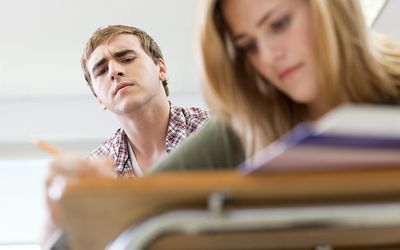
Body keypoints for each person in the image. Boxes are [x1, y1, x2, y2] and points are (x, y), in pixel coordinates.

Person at [80, 25, 210, 178]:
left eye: (127, 59)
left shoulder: (224, 131)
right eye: (101, 71)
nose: (114, 71)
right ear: (99, 99)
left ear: (161, 69)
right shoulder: (94, 174)